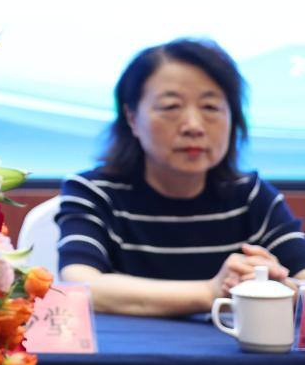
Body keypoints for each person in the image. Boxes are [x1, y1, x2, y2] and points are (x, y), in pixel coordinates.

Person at [56, 38, 305, 315]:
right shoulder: (94, 192)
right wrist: (210, 292)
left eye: (210, 107)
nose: (194, 126)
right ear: (132, 118)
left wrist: (282, 288)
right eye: (171, 106)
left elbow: (301, 280)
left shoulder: (251, 196)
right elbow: (81, 285)